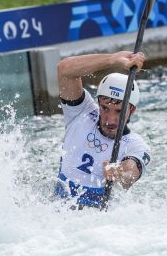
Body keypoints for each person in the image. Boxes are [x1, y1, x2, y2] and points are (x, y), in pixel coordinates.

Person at [55, 51, 151, 209]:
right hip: (55, 213)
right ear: (98, 102)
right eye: (105, 108)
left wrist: (119, 172)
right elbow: (64, 70)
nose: (110, 120)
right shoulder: (80, 113)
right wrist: (112, 59)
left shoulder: (135, 145)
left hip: (97, 224)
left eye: (119, 111)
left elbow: (130, 172)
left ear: (132, 110)